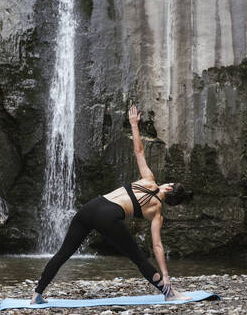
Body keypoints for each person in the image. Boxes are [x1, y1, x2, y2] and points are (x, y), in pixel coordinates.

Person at [31, 105, 192, 304]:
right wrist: (166, 275)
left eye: (168, 183)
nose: (165, 183)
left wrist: (134, 124)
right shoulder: (157, 212)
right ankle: (168, 292)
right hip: (108, 216)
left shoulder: (149, 179)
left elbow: (139, 152)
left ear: (168, 189)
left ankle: (37, 294)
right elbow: (157, 246)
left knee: (63, 253)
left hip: (91, 206)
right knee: (138, 257)